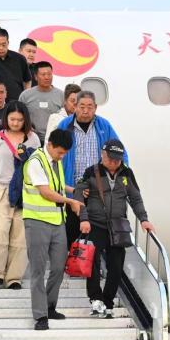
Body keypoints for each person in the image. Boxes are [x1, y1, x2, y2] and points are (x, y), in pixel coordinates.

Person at [75, 140, 154, 318]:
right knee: (92, 263)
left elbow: (135, 198)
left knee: (116, 267)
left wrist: (144, 219)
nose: (114, 162)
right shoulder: (91, 172)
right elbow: (78, 195)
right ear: (103, 155)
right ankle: (95, 299)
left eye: (117, 159)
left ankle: (108, 301)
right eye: (111, 159)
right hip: (95, 224)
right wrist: (84, 218)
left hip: (118, 227)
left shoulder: (127, 173)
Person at [22, 129, 82, 330]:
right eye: (60, 152)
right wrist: (70, 201)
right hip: (37, 221)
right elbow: (46, 192)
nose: (62, 156)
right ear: (49, 145)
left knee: (58, 266)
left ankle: (50, 306)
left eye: (64, 153)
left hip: (57, 221)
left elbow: (57, 186)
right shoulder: (36, 161)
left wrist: (75, 191)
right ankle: (40, 316)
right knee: (38, 270)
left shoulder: (55, 162)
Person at [57, 90, 128, 247]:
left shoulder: (104, 126)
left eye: (90, 107)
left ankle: (96, 262)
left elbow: (120, 153)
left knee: (96, 238)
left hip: (98, 191)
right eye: (82, 106)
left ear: (95, 108)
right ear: (75, 106)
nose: (85, 110)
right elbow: (54, 154)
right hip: (72, 190)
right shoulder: (64, 125)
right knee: (71, 235)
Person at [0, 102, 40, 288]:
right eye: (12, 119)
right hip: (1, 188)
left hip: (25, 191)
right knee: (0, 231)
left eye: (20, 120)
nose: (15, 123)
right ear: (6, 118)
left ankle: (14, 277)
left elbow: (38, 167)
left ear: (26, 120)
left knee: (21, 237)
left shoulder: (33, 139)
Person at [18, 61, 63, 145]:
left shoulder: (61, 95)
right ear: (35, 77)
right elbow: (19, 115)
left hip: (54, 140)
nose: (47, 77)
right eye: (43, 74)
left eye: (49, 74)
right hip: (31, 139)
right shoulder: (25, 95)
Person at [0, 29, 31, 102]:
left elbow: (27, 80)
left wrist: (26, 98)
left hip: (17, 102)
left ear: (8, 43)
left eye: (4, 45)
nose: (1, 48)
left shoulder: (20, 58)